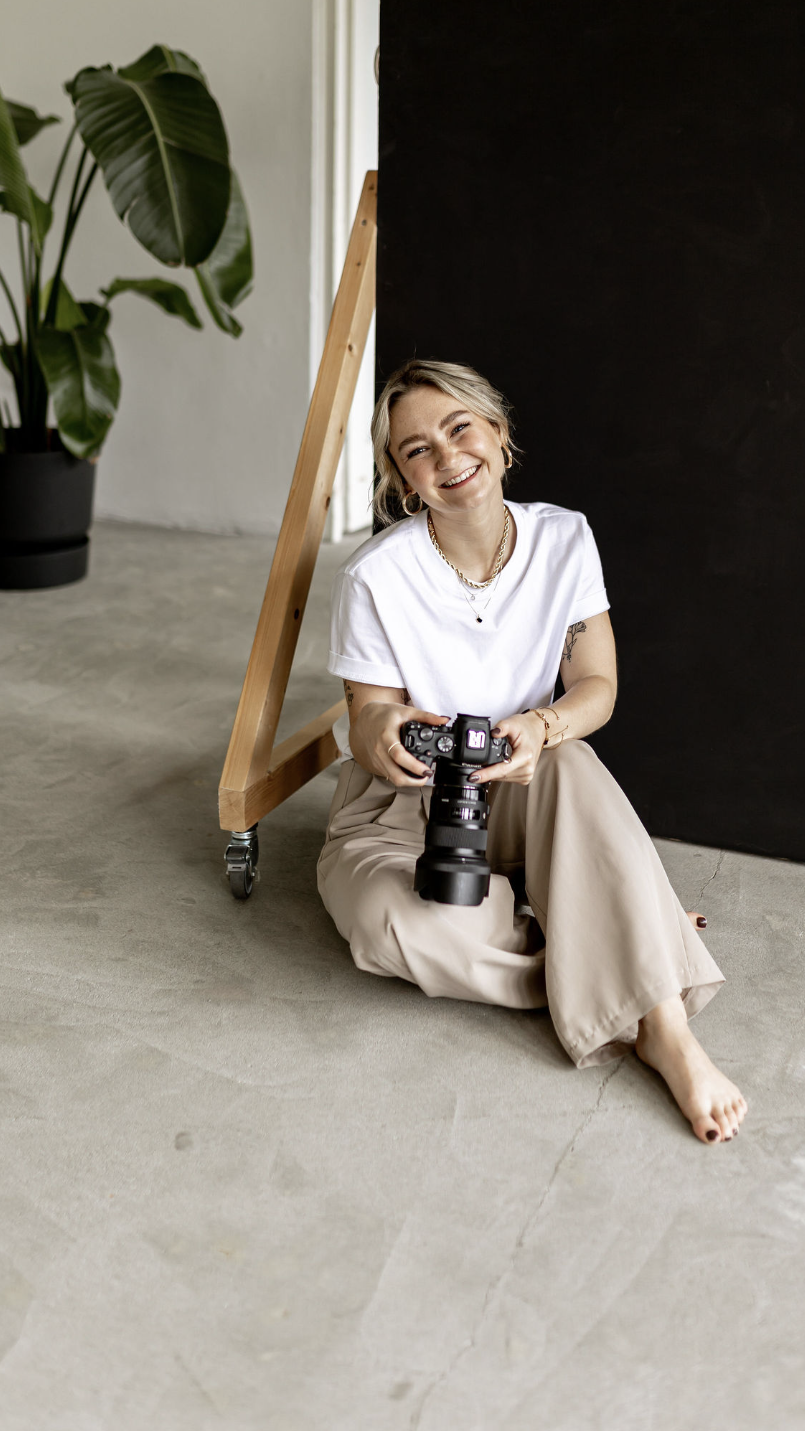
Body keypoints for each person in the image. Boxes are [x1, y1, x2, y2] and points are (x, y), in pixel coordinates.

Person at [318, 359, 748, 1145]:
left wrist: (541, 728)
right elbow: (366, 717)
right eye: (416, 450)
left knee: (572, 760)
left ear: (499, 435)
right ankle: (627, 928)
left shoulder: (563, 539)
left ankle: (665, 1030)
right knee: (389, 931)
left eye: (459, 429)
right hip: (401, 808)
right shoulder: (376, 575)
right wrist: (382, 737)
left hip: (521, 778)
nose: (446, 457)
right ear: (404, 481)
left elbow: (596, 684)